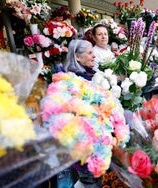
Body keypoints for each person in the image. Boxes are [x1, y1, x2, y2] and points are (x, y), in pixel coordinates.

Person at [58, 39, 101, 188]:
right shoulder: (73, 81)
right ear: (77, 57)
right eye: (89, 53)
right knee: (89, 180)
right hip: (83, 141)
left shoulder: (88, 75)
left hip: (94, 139)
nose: (94, 56)